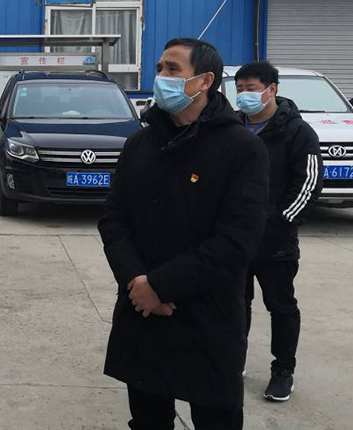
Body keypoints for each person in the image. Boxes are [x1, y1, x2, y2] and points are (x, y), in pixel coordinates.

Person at [98, 38, 270, 429]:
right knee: (148, 418)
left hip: (206, 315)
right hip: (143, 311)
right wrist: (136, 282)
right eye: (160, 68)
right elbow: (113, 219)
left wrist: (161, 286)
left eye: (173, 69)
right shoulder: (139, 144)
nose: (162, 77)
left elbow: (237, 239)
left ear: (205, 80)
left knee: (216, 418)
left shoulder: (242, 148)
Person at [235, 61, 322, 402]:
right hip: (234, 238)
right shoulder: (233, 127)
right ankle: (232, 360)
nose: (244, 95)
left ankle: (283, 370)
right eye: (239, 89)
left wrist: (280, 221)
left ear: (272, 89)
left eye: (251, 89)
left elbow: (308, 183)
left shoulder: (298, 132)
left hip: (275, 242)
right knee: (234, 302)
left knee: (281, 306)